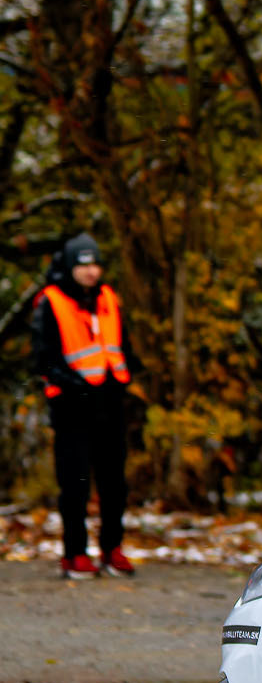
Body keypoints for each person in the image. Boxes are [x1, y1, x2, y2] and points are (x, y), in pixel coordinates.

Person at [29, 234, 141, 578]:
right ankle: (75, 554)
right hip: (71, 406)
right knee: (74, 483)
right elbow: (43, 358)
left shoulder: (107, 297)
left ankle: (112, 549)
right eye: (83, 265)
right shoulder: (51, 301)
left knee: (114, 482)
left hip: (110, 400)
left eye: (95, 264)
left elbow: (121, 343)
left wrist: (128, 375)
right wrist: (71, 384)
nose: (91, 271)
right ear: (69, 267)